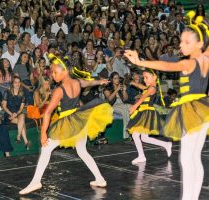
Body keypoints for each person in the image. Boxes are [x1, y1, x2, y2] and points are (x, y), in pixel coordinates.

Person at [124, 11, 209, 200]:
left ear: (199, 44)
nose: (180, 45)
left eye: (186, 42)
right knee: (195, 157)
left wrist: (140, 61)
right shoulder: (206, 58)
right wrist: (202, 25)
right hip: (203, 109)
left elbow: (167, 66)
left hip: (191, 109)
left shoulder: (190, 62)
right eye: (181, 40)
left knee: (186, 159)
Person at [19, 54, 113, 195]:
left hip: (68, 123)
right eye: (51, 72)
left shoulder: (59, 90)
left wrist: (44, 133)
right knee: (82, 151)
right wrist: (100, 82)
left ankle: (36, 182)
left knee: (46, 148)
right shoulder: (77, 82)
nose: (52, 75)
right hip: (79, 120)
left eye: (55, 72)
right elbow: (88, 82)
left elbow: (48, 113)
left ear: (65, 71)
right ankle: (100, 179)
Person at [127, 69, 172, 165]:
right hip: (143, 112)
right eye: (144, 78)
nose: (144, 80)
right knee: (144, 138)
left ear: (154, 77)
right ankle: (166, 144)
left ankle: (142, 156)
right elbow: (141, 86)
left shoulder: (152, 88)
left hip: (146, 112)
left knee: (135, 135)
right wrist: (132, 82)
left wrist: (135, 106)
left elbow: (143, 97)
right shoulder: (148, 87)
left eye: (147, 77)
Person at [1, 76, 30, 149]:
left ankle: (18, 136)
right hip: (8, 114)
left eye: (19, 82)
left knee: (22, 115)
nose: (17, 84)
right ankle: (26, 141)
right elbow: (4, 106)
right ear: (12, 83)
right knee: (22, 122)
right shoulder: (7, 92)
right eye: (15, 82)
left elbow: (21, 108)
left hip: (18, 113)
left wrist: (16, 113)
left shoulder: (22, 94)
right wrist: (12, 114)